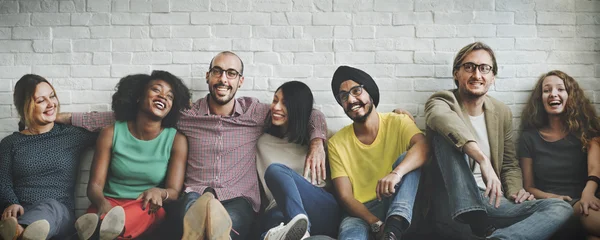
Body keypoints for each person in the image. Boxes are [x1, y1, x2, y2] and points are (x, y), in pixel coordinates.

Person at [57, 51, 328, 240]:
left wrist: (317, 141)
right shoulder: (187, 114)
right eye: (218, 72)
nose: (224, 79)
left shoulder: (255, 113)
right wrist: (61, 117)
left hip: (239, 197)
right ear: (208, 76)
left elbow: (307, 112)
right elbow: (120, 117)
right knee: (193, 216)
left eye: (231, 73)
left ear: (240, 81)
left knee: (228, 226)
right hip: (194, 193)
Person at [424, 42, 572, 239]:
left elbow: (510, 163)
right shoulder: (442, 101)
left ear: (492, 77)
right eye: (469, 67)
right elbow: (440, 119)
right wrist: (482, 159)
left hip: (492, 201)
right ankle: (474, 216)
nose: (477, 75)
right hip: (453, 206)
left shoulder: (501, 112)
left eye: (484, 68)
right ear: (456, 74)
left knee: (561, 208)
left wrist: (515, 191)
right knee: (445, 138)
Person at [73, 71, 190, 239]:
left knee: (112, 225)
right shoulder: (110, 133)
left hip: (145, 205)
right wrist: (102, 203)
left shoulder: (176, 140)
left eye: (170, 96)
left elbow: (174, 191)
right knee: (105, 222)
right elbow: (94, 186)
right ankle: (101, 227)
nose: (163, 96)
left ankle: (98, 229)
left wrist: (160, 192)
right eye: (156, 90)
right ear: (139, 97)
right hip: (108, 204)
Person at [328, 66, 429, 240]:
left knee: (408, 158)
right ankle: (390, 231)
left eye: (356, 91)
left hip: (398, 201)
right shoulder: (336, 143)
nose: (351, 99)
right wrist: (375, 222)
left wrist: (396, 173)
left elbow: (424, 146)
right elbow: (345, 196)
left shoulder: (398, 122)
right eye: (344, 96)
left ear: (370, 92)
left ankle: (394, 226)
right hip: (359, 213)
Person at [0, 74, 97, 240]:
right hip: (23, 211)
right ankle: (22, 230)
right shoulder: (11, 143)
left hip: (60, 214)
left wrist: (66, 117)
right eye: (41, 100)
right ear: (26, 107)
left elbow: (115, 122)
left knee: (50, 207)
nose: (51, 103)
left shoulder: (72, 135)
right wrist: (11, 203)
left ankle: (20, 232)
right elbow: (3, 181)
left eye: (52, 96)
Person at [519, 70, 600, 240]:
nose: (553, 94)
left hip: (585, 199)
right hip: (552, 207)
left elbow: (595, 168)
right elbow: (529, 186)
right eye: (547, 90)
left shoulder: (586, 131)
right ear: (540, 99)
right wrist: (555, 198)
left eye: (560, 89)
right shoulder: (529, 137)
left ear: (570, 95)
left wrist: (588, 194)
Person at [257, 81, 340, 240]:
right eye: (275, 100)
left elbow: (356, 135)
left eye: (285, 103)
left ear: (298, 108)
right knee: (271, 226)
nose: (276, 107)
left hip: (321, 208)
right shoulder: (262, 143)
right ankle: (293, 234)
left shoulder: (322, 138)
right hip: (280, 211)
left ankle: (303, 229)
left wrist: (400, 114)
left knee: (276, 171)